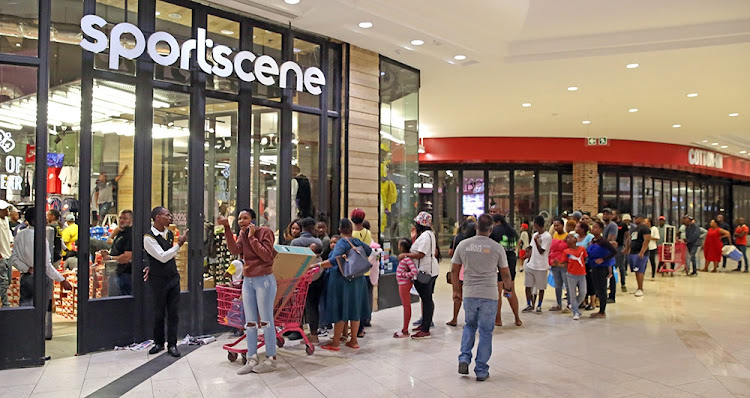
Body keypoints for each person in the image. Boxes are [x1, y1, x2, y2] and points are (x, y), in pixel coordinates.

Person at [451, 214, 511, 382]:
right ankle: (481, 370)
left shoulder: (463, 245)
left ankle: (464, 358)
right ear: (491, 229)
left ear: (476, 228)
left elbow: (454, 271)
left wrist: (456, 290)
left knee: (469, 326)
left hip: (470, 293)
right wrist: (508, 288)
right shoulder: (497, 247)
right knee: (485, 332)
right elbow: (505, 272)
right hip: (489, 295)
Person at [218, 209, 278, 373]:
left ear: (253, 220)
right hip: (248, 280)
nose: (241, 221)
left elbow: (266, 256)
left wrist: (252, 237)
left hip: (264, 280)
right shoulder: (243, 234)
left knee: (266, 321)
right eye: (239, 219)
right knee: (250, 322)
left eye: (245, 218)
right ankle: (252, 358)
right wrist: (227, 229)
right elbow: (234, 250)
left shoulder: (265, 232)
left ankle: (271, 359)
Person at [10, 207, 73, 339]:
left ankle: (24, 339)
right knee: (40, 312)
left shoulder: (20, 234)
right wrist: (62, 280)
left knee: (26, 310)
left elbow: (14, 258)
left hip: (26, 278)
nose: (46, 219)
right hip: (40, 279)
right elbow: (46, 265)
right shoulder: (40, 237)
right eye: (43, 217)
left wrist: (27, 269)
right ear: (35, 220)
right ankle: (36, 342)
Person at [317, 218, 371, 351]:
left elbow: (333, 261)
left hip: (343, 280)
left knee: (340, 310)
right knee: (354, 310)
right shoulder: (357, 241)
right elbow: (368, 251)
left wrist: (317, 264)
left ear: (340, 229)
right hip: (358, 279)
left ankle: (335, 343)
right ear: (351, 229)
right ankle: (353, 340)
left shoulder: (342, 242)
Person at [143, 207, 188, 358]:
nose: (170, 217)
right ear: (157, 218)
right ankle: (158, 342)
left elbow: (169, 256)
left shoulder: (169, 233)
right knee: (159, 312)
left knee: (173, 313)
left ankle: (173, 344)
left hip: (173, 278)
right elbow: (162, 257)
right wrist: (179, 245)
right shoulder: (149, 238)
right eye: (167, 215)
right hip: (158, 280)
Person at [400, 211, 440, 339]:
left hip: (425, 271)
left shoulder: (425, 236)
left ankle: (425, 328)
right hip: (429, 270)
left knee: (427, 299)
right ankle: (424, 323)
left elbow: (421, 254)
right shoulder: (427, 235)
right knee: (426, 298)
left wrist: (405, 255)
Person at [291, 218, 324, 343]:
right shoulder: (317, 241)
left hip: (300, 278)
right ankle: (314, 333)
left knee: (298, 305)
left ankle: (298, 329)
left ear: (302, 228)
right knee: (313, 306)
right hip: (316, 278)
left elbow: (292, 260)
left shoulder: (295, 242)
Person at [489, 214, 522, 326]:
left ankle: (498, 319)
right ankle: (517, 318)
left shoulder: (494, 231)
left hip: (498, 262)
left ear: (496, 222)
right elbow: (519, 242)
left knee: (497, 292)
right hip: (511, 261)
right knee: (509, 290)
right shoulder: (511, 231)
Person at [447, 220, 476, 327]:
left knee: (457, 296)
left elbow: (450, 252)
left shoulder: (458, 238)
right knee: (472, 298)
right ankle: (471, 320)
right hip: (473, 273)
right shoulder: (478, 242)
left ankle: (454, 318)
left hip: (460, 271)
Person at [350, 209, 373, 335]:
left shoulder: (351, 234)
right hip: (365, 270)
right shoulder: (367, 233)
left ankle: (355, 328)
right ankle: (362, 327)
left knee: (354, 301)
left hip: (354, 271)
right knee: (364, 300)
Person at [587, 221, 617, 318]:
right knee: (597, 288)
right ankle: (599, 309)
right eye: (593, 227)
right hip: (594, 266)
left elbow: (614, 251)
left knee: (602, 288)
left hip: (602, 267)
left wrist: (603, 259)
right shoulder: (593, 240)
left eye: (596, 227)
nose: (593, 229)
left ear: (601, 230)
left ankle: (602, 311)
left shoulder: (603, 241)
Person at [522, 216, 550, 313]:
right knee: (528, 285)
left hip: (541, 266)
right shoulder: (535, 235)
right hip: (531, 264)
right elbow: (531, 247)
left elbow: (541, 250)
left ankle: (539, 305)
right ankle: (529, 304)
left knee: (541, 287)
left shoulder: (547, 236)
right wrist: (528, 250)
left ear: (537, 225)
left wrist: (536, 242)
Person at [102, 210, 133, 295]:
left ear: (132, 220)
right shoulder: (121, 233)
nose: (122, 220)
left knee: (123, 300)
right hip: (117, 272)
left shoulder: (131, 235)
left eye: (125, 218)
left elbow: (127, 257)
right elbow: (111, 242)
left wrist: (111, 258)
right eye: (120, 218)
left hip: (126, 274)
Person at [394, 238, 418, 338]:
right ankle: (405, 328)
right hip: (402, 284)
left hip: (404, 284)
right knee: (406, 306)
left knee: (406, 306)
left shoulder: (407, 259)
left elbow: (414, 271)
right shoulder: (405, 259)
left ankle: (405, 330)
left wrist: (404, 274)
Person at [561, 234, 587, 320]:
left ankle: (573, 305)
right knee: (572, 294)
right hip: (571, 275)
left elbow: (585, 258)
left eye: (572, 237)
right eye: (568, 237)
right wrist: (559, 264)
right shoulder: (566, 252)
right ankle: (575, 311)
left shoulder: (582, 249)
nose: (570, 238)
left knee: (583, 293)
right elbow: (565, 263)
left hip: (582, 274)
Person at [625, 215, 650, 297]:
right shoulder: (635, 229)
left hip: (639, 252)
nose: (635, 219)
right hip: (633, 252)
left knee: (640, 271)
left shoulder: (644, 228)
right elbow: (631, 240)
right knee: (636, 270)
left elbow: (646, 240)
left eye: (637, 218)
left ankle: (640, 288)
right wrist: (627, 249)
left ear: (642, 219)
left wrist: (642, 252)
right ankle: (638, 287)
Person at [548, 218, 569, 312]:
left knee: (567, 285)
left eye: (557, 225)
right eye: (554, 225)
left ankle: (570, 305)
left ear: (562, 225)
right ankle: (559, 304)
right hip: (554, 263)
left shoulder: (568, 236)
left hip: (564, 264)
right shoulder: (554, 235)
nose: (556, 227)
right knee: (558, 285)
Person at [601, 208, 619, 303]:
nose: (605, 216)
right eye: (603, 214)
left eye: (607, 214)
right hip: (603, 251)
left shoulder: (612, 225)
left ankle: (612, 296)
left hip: (609, 252)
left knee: (610, 273)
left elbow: (609, 239)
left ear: (611, 216)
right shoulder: (604, 225)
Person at [0, 200, 13, 307]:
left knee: (7, 281)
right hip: (2, 256)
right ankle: (5, 303)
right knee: (4, 281)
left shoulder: (5, 221)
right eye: (5, 209)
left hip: (8, 254)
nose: (7, 211)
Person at [615, 213, 631, 292]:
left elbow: (627, 236)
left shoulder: (622, 225)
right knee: (612, 267)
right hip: (611, 247)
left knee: (621, 266)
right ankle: (613, 283)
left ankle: (623, 283)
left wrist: (626, 247)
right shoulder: (610, 224)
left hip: (620, 247)